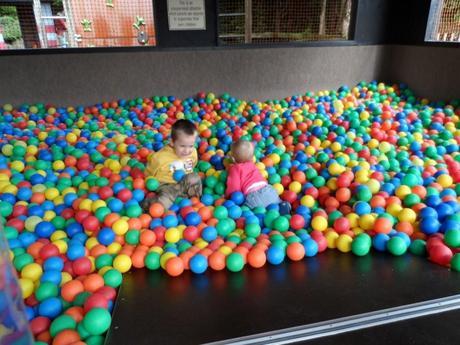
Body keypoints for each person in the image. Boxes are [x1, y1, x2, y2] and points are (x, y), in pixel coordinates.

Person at [141, 119, 202, 212]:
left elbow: (192, 165)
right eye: (182, 146)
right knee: (163, 203)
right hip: (167, 186)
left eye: (190, 146)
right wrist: (150, 183)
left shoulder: (193, 153)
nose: (187, 150)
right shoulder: (160, 157)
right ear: (172, 142)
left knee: (195, 178)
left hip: (183, 183)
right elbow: (149, 172)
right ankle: (149, 203)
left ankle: (193, 199)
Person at [225, 139, 291, 214]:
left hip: (254, 196)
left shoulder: (235, 168)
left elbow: (234, 187)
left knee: (250, 212)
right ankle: (282, 206)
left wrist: (228, 196)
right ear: (252, 157)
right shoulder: (252, 165)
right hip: (268, 189)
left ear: (233, 159)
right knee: (275, 204)